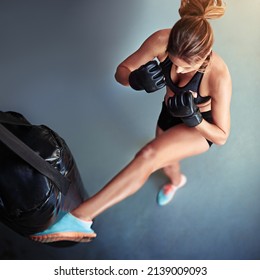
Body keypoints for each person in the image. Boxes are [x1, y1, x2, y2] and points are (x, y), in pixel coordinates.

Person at [30, 0, 232, 243]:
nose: (176, 72)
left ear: (204, 58)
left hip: (201, 127)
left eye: (186, 67)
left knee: (148, 155)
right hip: (169, 115)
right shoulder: (161, 40)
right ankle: (177, 181)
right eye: (173, 63)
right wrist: (135, 80)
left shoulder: (219, 76)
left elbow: (221, 136)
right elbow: (121, 71)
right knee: (167, 163)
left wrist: (195, 119)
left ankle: (80, 219)